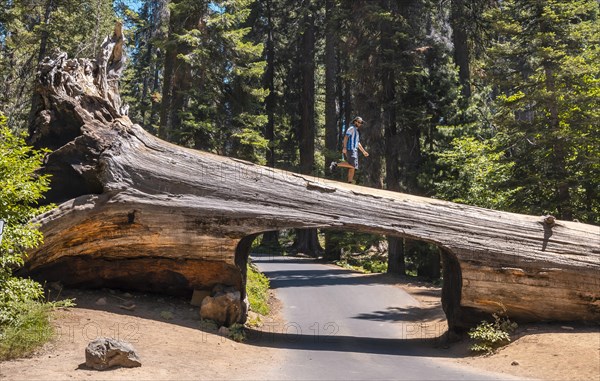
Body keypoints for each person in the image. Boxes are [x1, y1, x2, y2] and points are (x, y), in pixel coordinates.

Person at [329, 116, 369, 183]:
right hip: (350, 149)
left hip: (355, 150)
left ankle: (349, 182)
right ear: (355, 121)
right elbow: (346, 138)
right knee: (352, 165)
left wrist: (363, 151)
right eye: (359, 122)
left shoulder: (356, 131)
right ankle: (335, 164)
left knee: (353, 167)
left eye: (361, 122)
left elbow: (358, 143)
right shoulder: (351, 128)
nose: (360, 124)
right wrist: (344, 147)